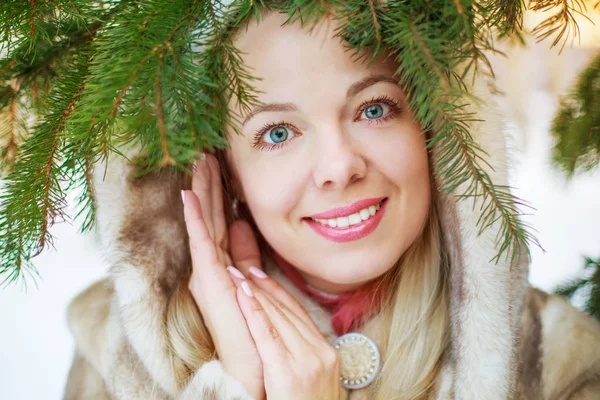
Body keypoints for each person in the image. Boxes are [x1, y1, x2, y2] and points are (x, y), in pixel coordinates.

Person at [62, 7, 600, 400]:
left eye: (373, 109)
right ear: (226, 172)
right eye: (277, 133)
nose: (340, 166)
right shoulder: (120, 357)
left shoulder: (559, 365)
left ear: (436, 126)